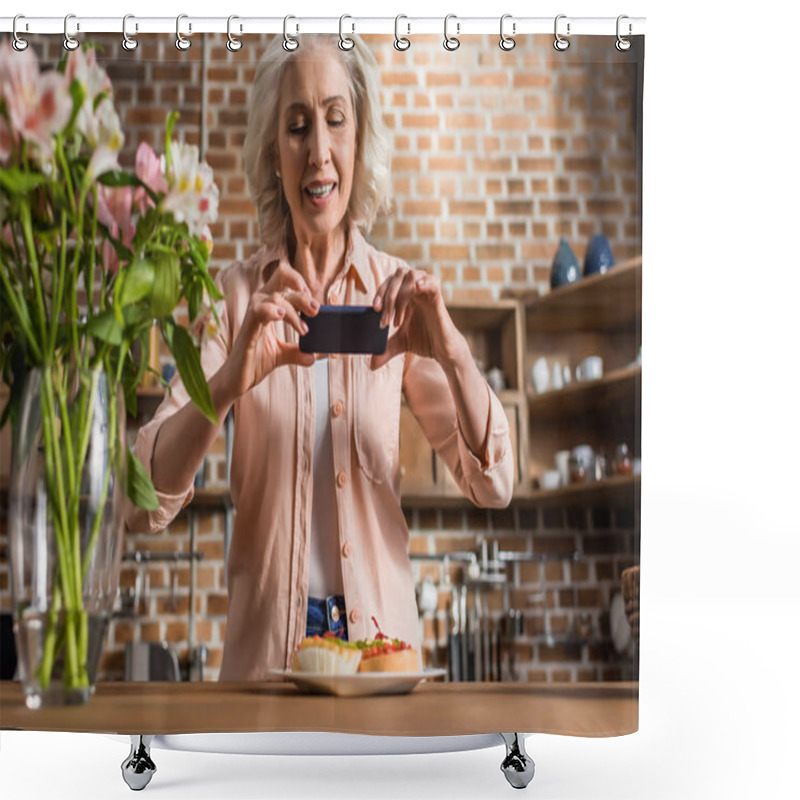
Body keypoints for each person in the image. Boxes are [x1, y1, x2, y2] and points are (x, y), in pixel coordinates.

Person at [125, 33, 514, 681]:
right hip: (266, 663)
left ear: (359, 141)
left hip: (382, 658)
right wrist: (225, 386)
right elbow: (142, 502)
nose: (319, 152)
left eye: (336, 120)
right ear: (274, 154)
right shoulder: (236, 298)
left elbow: (494, 484)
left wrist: (449, 349)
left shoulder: (401, 298)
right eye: (298, 127)